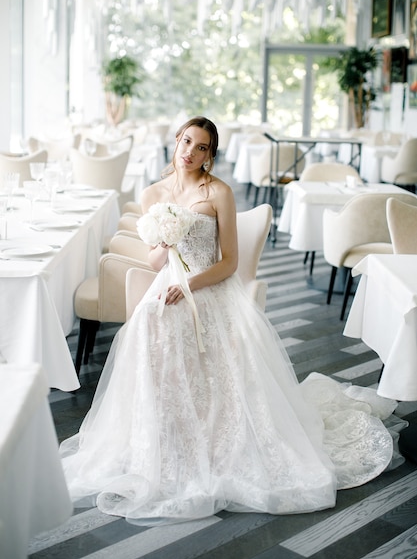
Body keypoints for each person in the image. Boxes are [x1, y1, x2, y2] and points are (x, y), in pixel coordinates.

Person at [60, 116, 401, 525]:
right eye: (186, 141)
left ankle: (216, 434)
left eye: (201, 147)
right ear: (177, 140)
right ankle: (165, 431)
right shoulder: (154, 192)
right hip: (168, 283)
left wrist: (191, 284)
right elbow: (153, 260)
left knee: (186, 323)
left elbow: (230, 262)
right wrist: (165, 242)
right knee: (152, 322)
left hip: (210, 286)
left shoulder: (218, 192)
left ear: (210, 154)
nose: (190, 151)